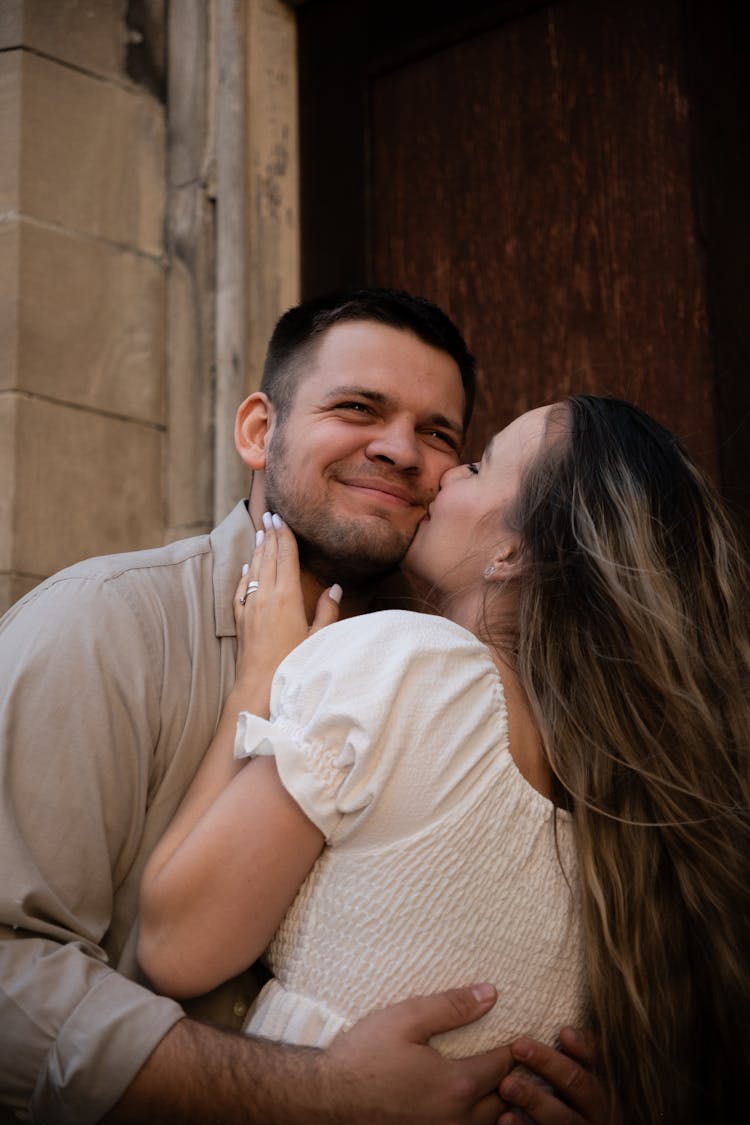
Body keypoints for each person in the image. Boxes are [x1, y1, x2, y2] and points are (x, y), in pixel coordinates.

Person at [0, 288, 601, 1125]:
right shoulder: (104, 625)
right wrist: (313, 1095)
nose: (401, 451)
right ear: (259, 430)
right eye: (359, 407)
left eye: (441, 436)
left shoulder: (475, 680)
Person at [138, 395, 750, 1124]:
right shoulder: (622, 806)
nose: (441, 472)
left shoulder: (411, 664)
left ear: (511, 551)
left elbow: (175, 945)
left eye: (479, 463)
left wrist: (259, 682)